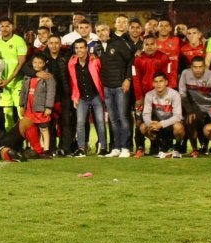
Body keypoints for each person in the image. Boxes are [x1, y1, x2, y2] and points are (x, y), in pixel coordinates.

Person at [93, 23, 133, 157]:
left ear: (109, 30)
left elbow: (130, 60)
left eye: (103, 29)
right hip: (107, 87)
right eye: (98, 31)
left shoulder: (119, 43)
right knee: (113, 119)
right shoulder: (96, 47)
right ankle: (116, 147)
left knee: (123, 117)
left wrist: (128, 78)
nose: (101, 32)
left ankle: (126, 148)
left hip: (120, 86)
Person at [131, 35, 171, 157]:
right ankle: (140, 147)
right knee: (139, 122)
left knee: (158, 121)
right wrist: (139, 97)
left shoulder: (164, 57)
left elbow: (168, 77)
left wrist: (165, 95)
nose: (149, 46)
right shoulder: (138, 59)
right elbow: (136, 79)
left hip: (160, 97)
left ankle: (157, 146)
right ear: (143, 46)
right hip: (143, 97)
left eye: (152, 44)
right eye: (146, 44)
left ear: (156, 44)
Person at [67, 39, 107, 157]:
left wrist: (103, 96)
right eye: (77, 48)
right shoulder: (72, 63)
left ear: (86, 48)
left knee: (100, 122)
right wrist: (74, 97)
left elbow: (101, 77)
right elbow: (73, 82)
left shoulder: (95, 61)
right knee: (80, 123)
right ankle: (81, 149)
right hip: (82, 97)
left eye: (81, 47)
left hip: (96, 96)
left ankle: (103, 147)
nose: (79, 50)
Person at [178, 56, 211, 157]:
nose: (198, 69)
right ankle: (195, 149)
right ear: (191, 67)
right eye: (195, 67)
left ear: (205, 67)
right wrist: (190, 111)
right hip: (195, 105)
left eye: (200, 67)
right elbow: (182, 94)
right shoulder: (185, 74)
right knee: (190, 120)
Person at [0, 18, 28, 130]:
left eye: (7, 26)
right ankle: (11, 143)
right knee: (7, 114)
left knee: (21, 113)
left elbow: (21, 63)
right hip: (3, 85)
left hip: (17, 83)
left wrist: (8, 80)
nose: (5, 29)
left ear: (12, 27)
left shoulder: (19, 41)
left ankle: (26, 144)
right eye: (2, 26)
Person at [140, 73, 185, 158]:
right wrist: (150, 123)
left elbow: (178, 116)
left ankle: (177, 148)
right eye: (156, 82)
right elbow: (146, 114)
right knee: (143, 127)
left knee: (179, 127)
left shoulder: (174, 94)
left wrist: (161, 124)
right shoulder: (149, 95)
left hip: (171, 125)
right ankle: (162, 147)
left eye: (161, 81)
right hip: (157, 126)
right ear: (153, 84)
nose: (158, 84)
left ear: (166, 82)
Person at [19, 54, 56, 154]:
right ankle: (34, 148)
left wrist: (48, 107)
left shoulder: (48, 76)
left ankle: (46, 149)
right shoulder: (28, 76)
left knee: (43, 128)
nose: (37, 65)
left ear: (44, 64)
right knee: (31, 128)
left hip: (40, 107)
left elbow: (51, 92)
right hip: (29, 108)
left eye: (40, 63)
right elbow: (23, 91)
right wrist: (22, 105)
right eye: (35, 62)